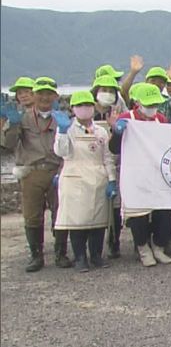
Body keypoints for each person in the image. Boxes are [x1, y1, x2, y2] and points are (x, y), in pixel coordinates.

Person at [2, 77, 70, 271]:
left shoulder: (62, 117)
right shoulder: (22, 118)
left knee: (60, 213)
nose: (45, 97)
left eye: (49, 93)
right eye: (40, 93)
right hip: (32, 172)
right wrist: (13, 125)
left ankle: (61, 253)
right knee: (32, 215)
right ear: (34, 95)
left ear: (55, 96)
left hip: (57, 171)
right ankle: (36, 256)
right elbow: (8, 145)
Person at [111, 83, 171, 267]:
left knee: (164, 211)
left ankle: (159, 247)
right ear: (137, 103)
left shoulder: (161, 119)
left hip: (158, 173)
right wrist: (117, 133)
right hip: (135, 174)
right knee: (138, 213)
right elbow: (114, 148)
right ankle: (143, 248)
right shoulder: (127, 118)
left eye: (154, 104)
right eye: (148, 105)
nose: (152, 108)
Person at [51, 91, 117, 272]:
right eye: (80, 105)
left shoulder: (101, 130)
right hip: (74, 177)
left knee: (98, 220)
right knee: (77, 221)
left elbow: (108, 157)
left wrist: (112, 180)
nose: (84, 109)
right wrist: (63, 132)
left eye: (88, 105)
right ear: (72, 108)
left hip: (98, 177)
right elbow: (61, 151)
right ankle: (80, 257)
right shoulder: (67, 128)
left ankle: (96, 255)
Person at [89, 70, 128, 258]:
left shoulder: (120, 110)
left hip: (114, 162)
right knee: (92, 205)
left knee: (115, 207)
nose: (108, 93)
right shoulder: (86, 110)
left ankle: (114, 241)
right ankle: (90, 247)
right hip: (89, 164)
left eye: (111, 90)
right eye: (104, 90)